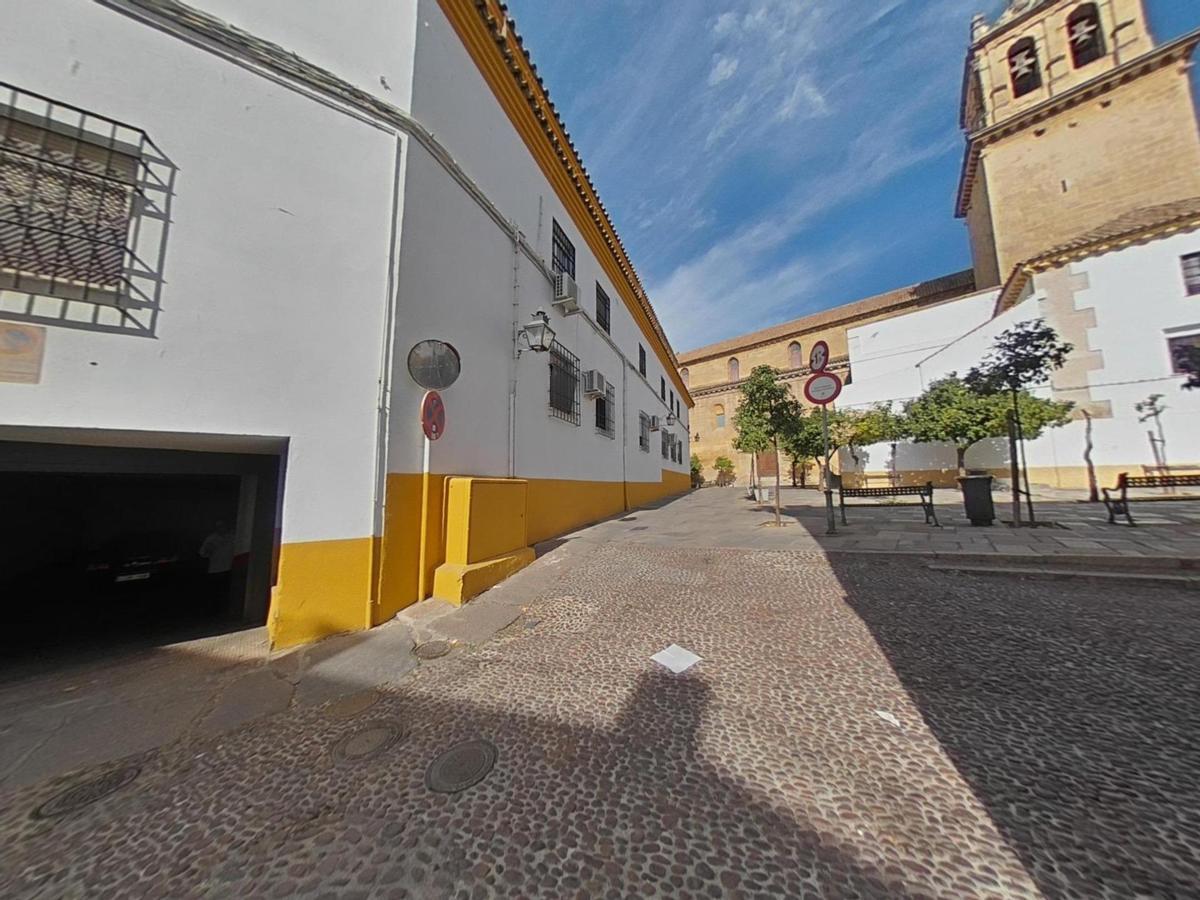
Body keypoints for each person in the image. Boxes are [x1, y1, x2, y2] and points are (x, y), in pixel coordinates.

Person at [198, 520, 235, 614]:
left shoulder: (233, 537)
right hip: (215, 569)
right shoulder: (211, 539)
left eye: (223, 526)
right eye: (219, 526)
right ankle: (214, 612)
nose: (222, 528)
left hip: (229, 568)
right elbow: (202, 554)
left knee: (227, 591)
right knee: (215, 593)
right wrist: (209, 549)